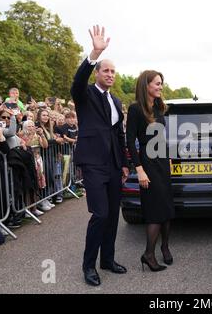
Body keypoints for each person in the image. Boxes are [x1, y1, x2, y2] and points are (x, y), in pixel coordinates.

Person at [70, 25, 130, 286]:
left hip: (114, 165)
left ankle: (108, 259)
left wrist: (125, 164)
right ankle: (89, 266)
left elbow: (119, 135)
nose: (110, 74)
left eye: (113, 71)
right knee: (101, 214)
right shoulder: (85, 95)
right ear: (97, 73)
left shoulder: (116, 102)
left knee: (114, 215)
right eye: (106, 70)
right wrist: (94, 53)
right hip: (93, 164)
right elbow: (77, 82)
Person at [126, 70, 175, 272]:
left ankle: (165, 246)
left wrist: (169, 157)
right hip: (148, 164)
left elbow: (162, 137)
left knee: (166, 208)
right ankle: (149, 254)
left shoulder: (159, 107)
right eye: (157, 83)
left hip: (162, 162)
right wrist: (140, 170)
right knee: (155, 211)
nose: (160, 87)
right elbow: (130, 142)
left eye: (161, 83)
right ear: (146, 84)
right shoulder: (135, 109)